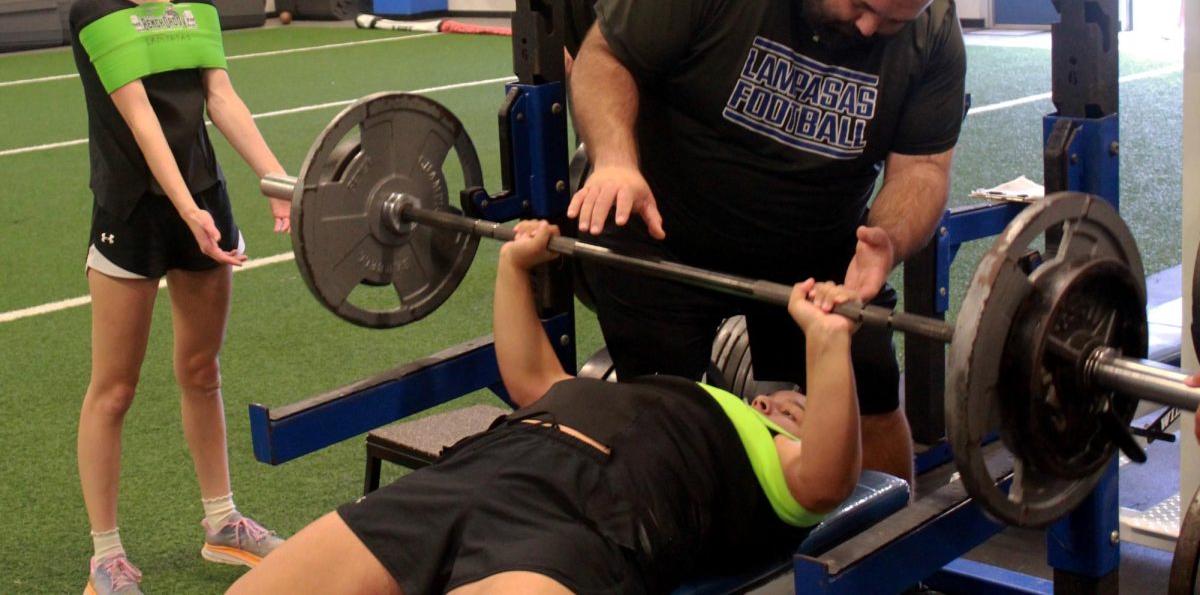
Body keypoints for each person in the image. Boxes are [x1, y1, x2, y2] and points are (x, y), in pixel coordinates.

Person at [227, 220, 864, 594]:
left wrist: (827, 344)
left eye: (806, 409)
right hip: (474, 473)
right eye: (794, 396)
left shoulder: (768, 464)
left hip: (579, 522)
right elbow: (532, 376)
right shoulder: (656, 391)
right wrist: (513, 264)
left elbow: (829, 479)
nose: (791, 404)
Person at [567, 0, 965, 485]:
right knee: (662, 418)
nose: (868, 28)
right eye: (860, 3)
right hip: (668, 233)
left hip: (817, 251)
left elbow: (923, 169)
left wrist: (887, 238)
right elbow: (604, 56)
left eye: (891, 21)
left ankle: (881, 552)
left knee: (870, 397)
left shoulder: (930, 28)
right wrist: (616, 160)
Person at [71, 0, 291, 595]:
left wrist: (276, 181)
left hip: (205, 201)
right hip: (135, 215)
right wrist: (186, 210)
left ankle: (222, 523)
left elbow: (219, 98)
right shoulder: (91, 9)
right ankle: (106, 556)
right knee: (115, 389)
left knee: (202, 371)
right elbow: (138, 119)